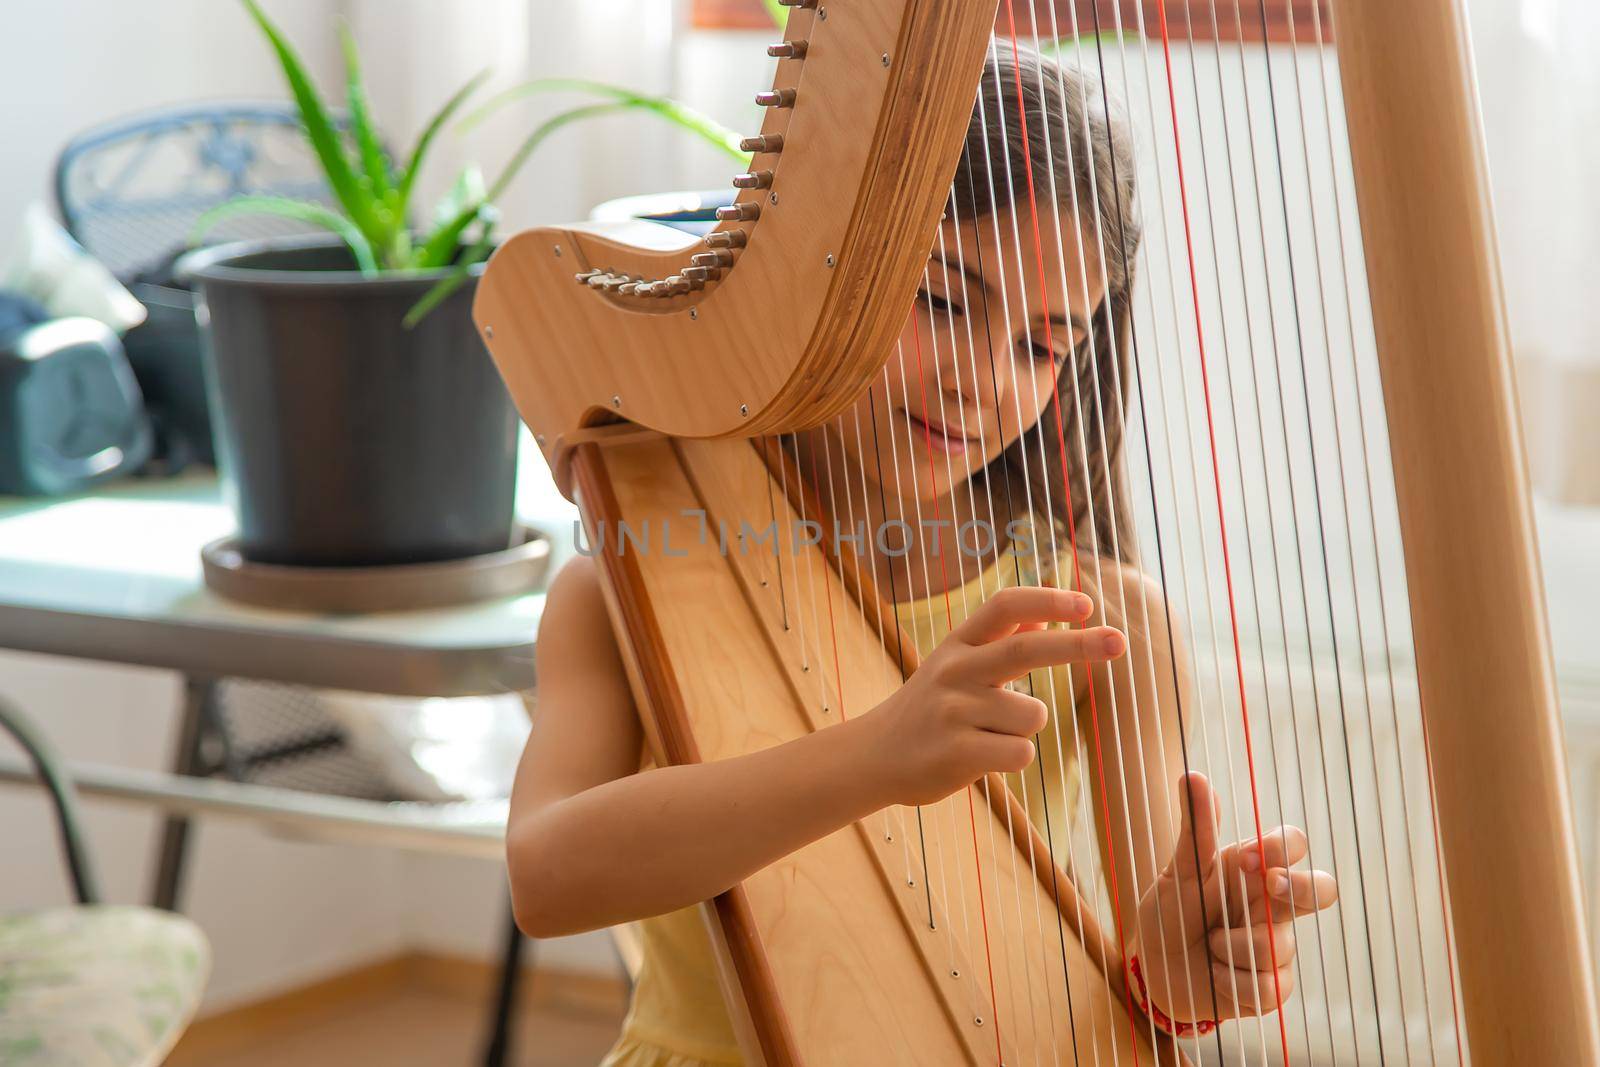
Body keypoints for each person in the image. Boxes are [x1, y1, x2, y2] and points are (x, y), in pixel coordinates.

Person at [506, 44, 1338, 1066]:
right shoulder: (624, 585)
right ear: (819, 285)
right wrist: (872, 755)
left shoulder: (1099, 621)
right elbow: (545, 876)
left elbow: (1148, 973)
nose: (981, 381)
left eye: (1042, 345)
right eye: (944, 302)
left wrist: (1185, 969)